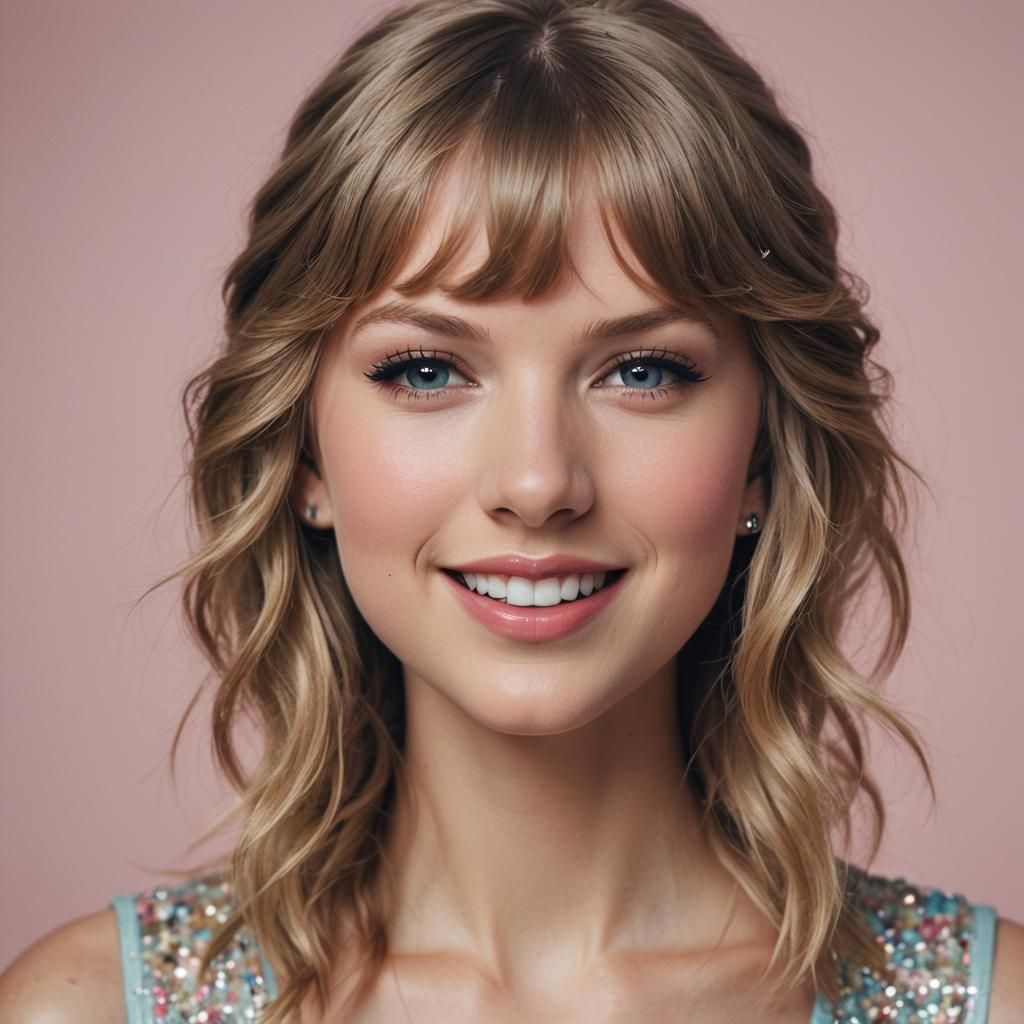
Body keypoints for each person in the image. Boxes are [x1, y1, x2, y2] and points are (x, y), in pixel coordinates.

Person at [1, 0, 1021, 1020]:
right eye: (427, 369)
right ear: (301, 448)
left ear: (763, 448)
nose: (536, 484)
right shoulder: (84, 1008)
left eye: (643, 370)